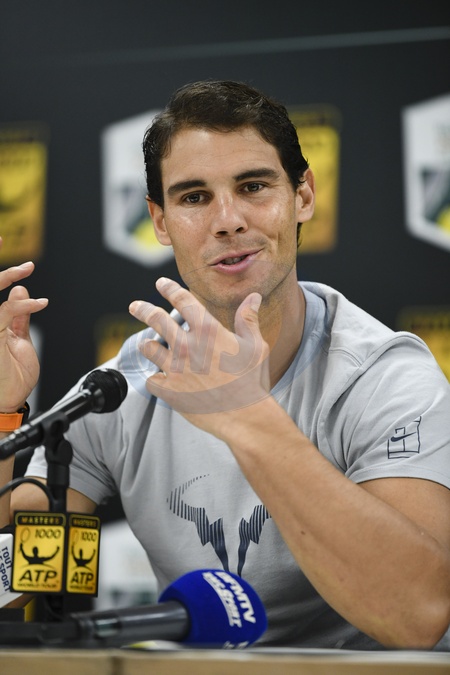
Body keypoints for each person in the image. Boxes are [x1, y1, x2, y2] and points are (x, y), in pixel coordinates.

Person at [1, 80, 450, 650]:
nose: (228, 220)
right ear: (160, 221)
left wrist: (246, 413)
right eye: (193, 198)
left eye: (253, 186)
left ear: (303, 195)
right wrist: (2, 413)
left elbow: (419, 614)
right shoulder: (125, 385)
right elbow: (20, 579)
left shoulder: (383, 376)